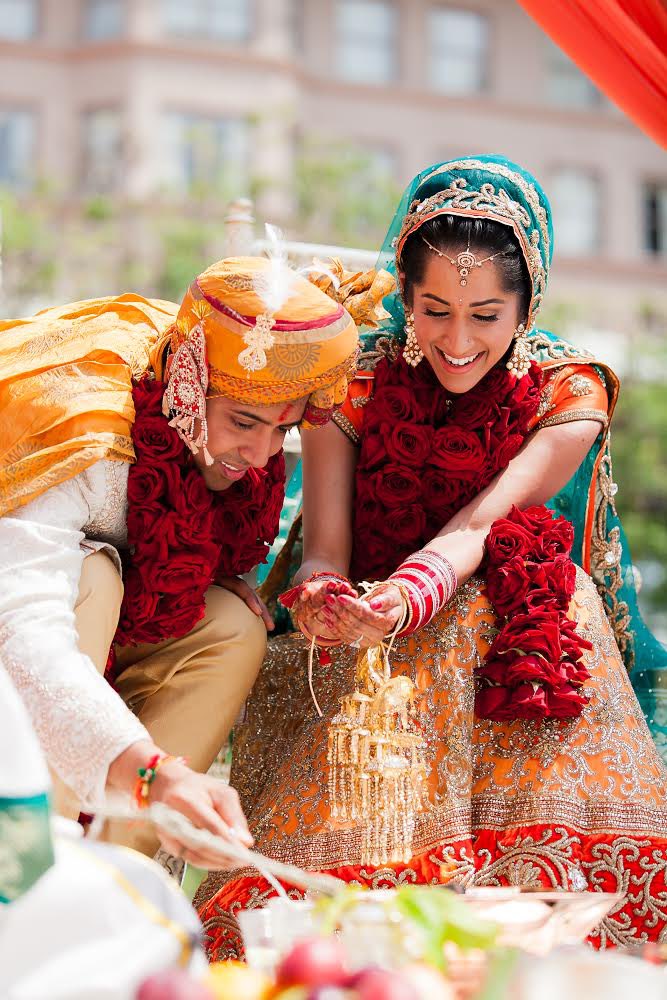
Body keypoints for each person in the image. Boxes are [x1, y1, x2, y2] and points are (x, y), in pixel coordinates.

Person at [196, 157, 667, 955]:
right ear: (404, 298)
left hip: (490, 631)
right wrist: (324, 598)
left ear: (527, 305)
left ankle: (527, 905)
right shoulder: (349, 381)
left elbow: (478, 527)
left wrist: (405, 600)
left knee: (522, 598)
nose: (456, 340)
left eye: (485, 314)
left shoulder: (569, 393)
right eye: (433, 310)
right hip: (363, 646)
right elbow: (325, 551)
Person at [0, 254, 359, 865]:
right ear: (187, 383)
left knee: (233, 624)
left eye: (283, 431)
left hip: (83, 636)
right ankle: (32, 864)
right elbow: (25, 631)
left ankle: (120, 875)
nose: (261, 453)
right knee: (95, 579)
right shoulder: (84, 431)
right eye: (244, 422)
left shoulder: (225, 440)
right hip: (20, 628)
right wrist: (153, 774)